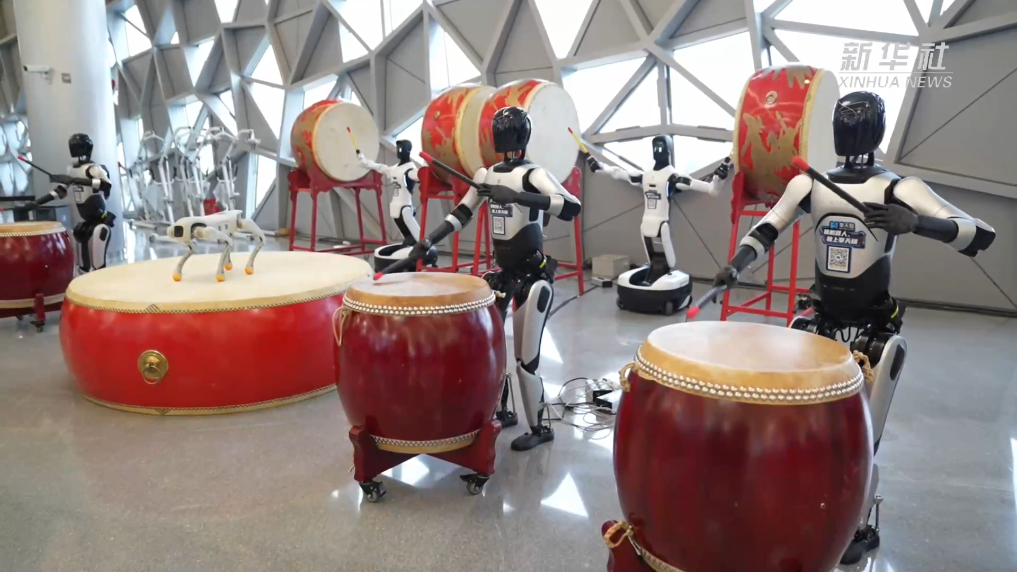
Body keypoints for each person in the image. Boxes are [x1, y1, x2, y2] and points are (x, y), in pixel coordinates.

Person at [713, 91, 995, 565]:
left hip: (874, 326)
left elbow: (978, 234)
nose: (848, 131)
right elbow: (768, 227)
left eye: (855, 124)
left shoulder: (897, 188)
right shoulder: (811, 183)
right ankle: (801, 504)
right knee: (799, 424)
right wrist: (736, 265)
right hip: (819, 317)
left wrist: (916, 223)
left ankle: (854, 524)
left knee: (863, 435)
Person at [400, 106, 581, 451]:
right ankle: (502, 411)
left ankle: (540, 428)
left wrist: (518, 196)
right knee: (492, 350)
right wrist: (430, 239)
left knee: (526, 361)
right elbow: (462, 213)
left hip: (533, 276)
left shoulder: (533, 174)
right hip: (501, 275)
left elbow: (571, 206)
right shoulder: (486, 174)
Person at [25, 134, 115, 273]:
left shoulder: (94, 169)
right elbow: (60, 191)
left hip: (98, 213)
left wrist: (76, 181)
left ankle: (99, 272)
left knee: (98, 233)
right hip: (85, 216)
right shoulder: (72, 170)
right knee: (79, 234)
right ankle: (84, 272)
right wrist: (36, 203)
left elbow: (106, 185)